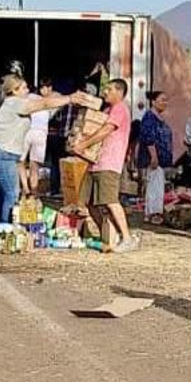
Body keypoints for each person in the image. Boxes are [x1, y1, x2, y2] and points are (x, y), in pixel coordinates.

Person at [0, 75, 69, 223]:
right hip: (2, 153)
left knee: (2, 192)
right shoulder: (14, 103)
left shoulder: (13, 102)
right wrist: (70, 99)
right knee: (12, 193)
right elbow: (44, 104)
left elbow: (45, 102)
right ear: (14, 91)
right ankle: (5, 227)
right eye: (24, 88)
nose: (27, 90)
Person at [72, 78, 137, 252]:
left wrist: (84, 144)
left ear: (119, 92)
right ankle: (107, 233)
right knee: (89, 202)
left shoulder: (120, 109)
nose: (105, 92)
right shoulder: (107, 110)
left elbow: (107, 129)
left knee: (110, 201)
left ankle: (127, 237)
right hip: (95, 163)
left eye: (109, 89)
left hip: (109, 162)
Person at [138, 90, 174, 224]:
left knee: (157, 185)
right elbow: (149, 138)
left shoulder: (160, 118)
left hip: (162, 159)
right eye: (162, 100)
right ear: (153, 102)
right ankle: (154, 213)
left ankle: (151, 212)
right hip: (154, 158)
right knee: (155, 186)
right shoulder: (149, 117)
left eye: (166, 100)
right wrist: (154, 156)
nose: (165, 103)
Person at [18, 79, 57, 199]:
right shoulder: (46, 101)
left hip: (26, 131)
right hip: (40, 134)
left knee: (21, 162)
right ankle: (34, 191)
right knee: (35, 164)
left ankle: (25, 188)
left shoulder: (24, 100)